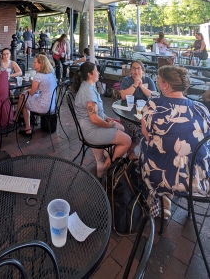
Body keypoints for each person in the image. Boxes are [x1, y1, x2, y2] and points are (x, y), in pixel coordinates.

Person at [140, 65, 210, 219]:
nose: (157, 83)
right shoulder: (201, 109)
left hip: (163, 176)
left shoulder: (153, 105)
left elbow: (145, 134)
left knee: (143, 145)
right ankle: (167, 199)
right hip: (198, 178)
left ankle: (156, 201)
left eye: (158, 80)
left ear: (166, 85)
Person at [73, 62, 131, 177]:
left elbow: (98, 112)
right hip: (91, 131)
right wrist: (108, 125)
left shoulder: (89, 86)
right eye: (96, 71)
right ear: (90, 74)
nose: (98, 73)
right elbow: (94, 119)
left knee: (121, 127)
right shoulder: (88, 92)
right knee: (127, 141)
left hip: (92, 126)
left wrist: (107, 118)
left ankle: (108, 153)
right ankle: (108, 163)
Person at [120, 60, 156, 160]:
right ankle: (131, 150)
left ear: (143, 70)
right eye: (134, 68)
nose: (136, 71)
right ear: (131, 70)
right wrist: (135, 84)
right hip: (128, 112)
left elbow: (153, 96)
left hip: (144, 113)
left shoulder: (148, 80)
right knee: (137, 129)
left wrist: (141, 85)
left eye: (138, 68)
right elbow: (123, 96)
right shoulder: (127, 80)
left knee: (147, 128)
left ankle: (133, 149)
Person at [16, 54, 57, 136]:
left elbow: (31, 93)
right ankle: (19, 118)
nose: (33, 64)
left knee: (23, 97)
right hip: (52, 105)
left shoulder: (38, 76)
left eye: (35, 62)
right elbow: (42, 88)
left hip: (43, 106)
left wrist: (27, 90)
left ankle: (27, 128)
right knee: (24, 96)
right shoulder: (50, 74)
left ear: (41, 64)